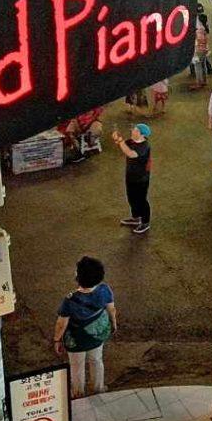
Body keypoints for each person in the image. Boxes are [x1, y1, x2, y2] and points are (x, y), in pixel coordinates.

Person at [53, 256, 117, 398]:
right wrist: (113, 323)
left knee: (77, 366)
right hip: (97, 335)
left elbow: (61, 323)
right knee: (96, 360)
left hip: (77, 340)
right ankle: (98, 388)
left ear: (78, 276)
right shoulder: (105, 289)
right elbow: (111, 309)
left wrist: (57, 340)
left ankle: (78, 393)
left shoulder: (70, 300)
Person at [113, 124, 152, 234]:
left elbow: (131, 154)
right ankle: (136, 217)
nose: (132, 131)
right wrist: (118, 139)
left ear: (141, 134)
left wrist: (120, 142)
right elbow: (124, 145)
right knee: (132, 197)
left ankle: (145, 222)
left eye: (135, 130)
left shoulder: (144, 146)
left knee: (141, 200)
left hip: (141, 178)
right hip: (131, 175)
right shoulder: (132, 141)